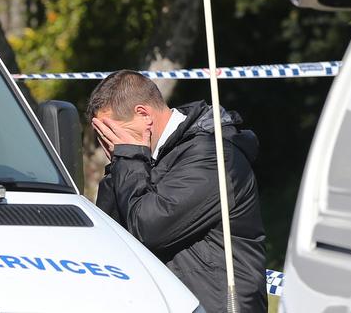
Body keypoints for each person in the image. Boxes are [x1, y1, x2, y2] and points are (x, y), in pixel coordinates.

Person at [87, 70, 267, 312]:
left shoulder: (212, 156)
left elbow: (148, 229)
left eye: (112, 131)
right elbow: (113, 238)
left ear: (143, 115)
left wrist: (127, 157)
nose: (111, 142)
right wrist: (119, 164)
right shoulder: (141, 158)